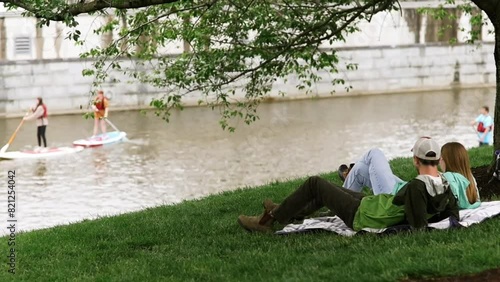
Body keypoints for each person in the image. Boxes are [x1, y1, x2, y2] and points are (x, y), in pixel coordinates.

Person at [238, 137, 459, 233]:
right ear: (438, 160)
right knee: (327, 192)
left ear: (416, 160)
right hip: (375, 205)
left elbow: (417, 223)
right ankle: (289, 211)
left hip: (365, 216)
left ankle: (269, 220)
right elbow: (452, 213)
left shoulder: (417, 187)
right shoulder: (445, 183)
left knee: (316, 183)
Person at [339, 142, 480, 210]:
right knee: (361, 169)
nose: (439, 161)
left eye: (441, 158)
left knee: (374, 153)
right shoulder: (469, 180)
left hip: (395, 198)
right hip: (404, 190)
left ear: (447, 160)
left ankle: (340, 200)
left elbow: (426, 184)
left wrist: (421, 157)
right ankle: (344, 191)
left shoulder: (449, 179)